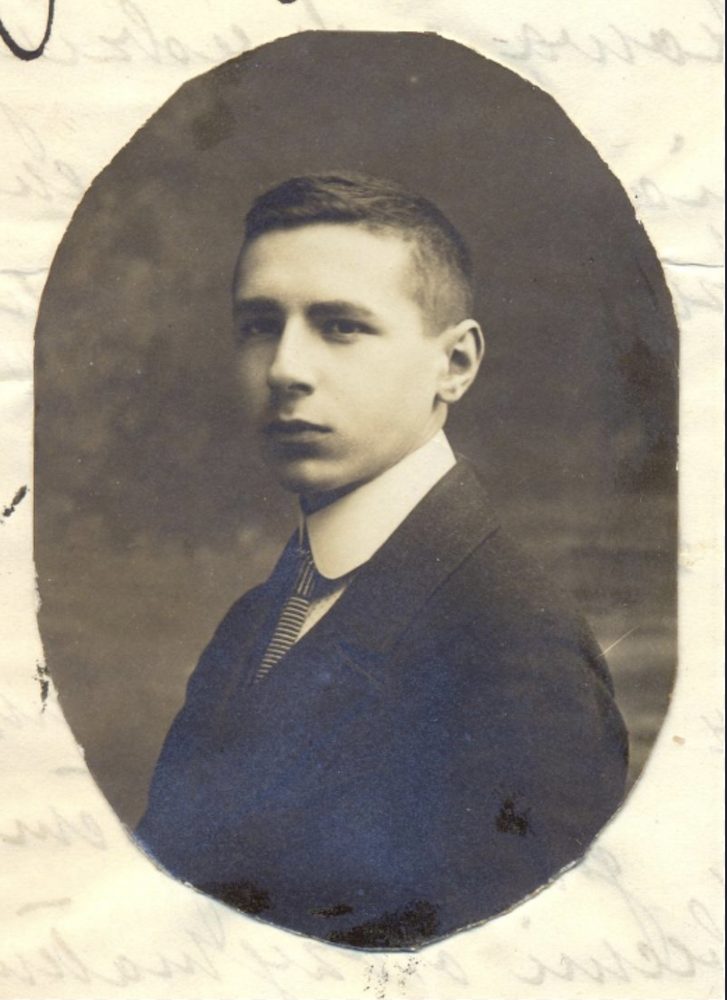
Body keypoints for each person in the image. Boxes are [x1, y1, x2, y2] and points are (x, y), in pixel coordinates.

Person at [135, 173, 629, 950]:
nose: (284, 369)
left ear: (454, 364)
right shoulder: (257, 617)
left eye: (340, 327)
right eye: (259, 326)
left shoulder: (511, 647)